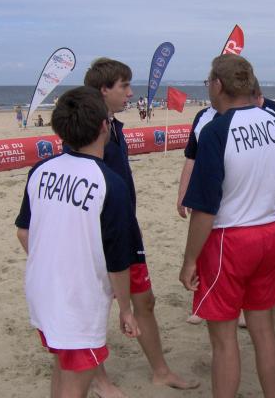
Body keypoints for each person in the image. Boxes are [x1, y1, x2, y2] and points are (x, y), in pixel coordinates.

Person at [179, 54, 275, 397]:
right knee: (264, 330)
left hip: (229, 238)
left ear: (218, 85)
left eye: (209, 84)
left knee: (223, 340)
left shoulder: (217, 129)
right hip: (268, 231)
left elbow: (204, 208)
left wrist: (190, 259)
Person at [81, 58, 198, 394]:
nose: (131, 93)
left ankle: (160, 371)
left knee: (145, 301)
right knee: (95, 305)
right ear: (104, 90)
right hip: (98, 234)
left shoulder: (115, 127)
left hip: (127, 229)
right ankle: (99, 378)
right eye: (124, 87)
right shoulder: (87, 132)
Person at [15, 86, 140, 398]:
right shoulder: (111, 184)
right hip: (77, 299)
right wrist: (125, 308)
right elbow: (117, 261)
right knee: (75, 381)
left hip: (42, 289)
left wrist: (51, 263)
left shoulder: (40, 170)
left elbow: (24, 232)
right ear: (103, 126)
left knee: (63, 367)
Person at [178, 79, 275, 330]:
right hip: (260, 225)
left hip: (257, 220)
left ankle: (252, 316)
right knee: (258, 326)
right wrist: (183, 192)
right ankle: (208, 305)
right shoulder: (205, 118)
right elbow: (192, 158)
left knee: (230, 334)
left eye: (210, 82)